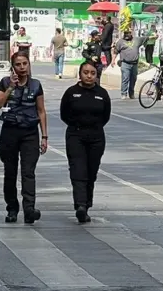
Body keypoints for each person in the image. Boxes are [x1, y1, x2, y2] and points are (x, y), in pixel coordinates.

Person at [0, 51, 48, 224]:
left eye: (25, 64)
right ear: (13, 67)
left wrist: (44, 136)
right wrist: (10, 87)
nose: (22, 68)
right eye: (18, 64)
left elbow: (41, 111)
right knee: (10, 172)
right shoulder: (5, 83)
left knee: (28, 172)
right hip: (10, 132)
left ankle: (29, 209)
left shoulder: (36, 85)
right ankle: (12, 208)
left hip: (30, 133)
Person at [60, 61, 110, 223]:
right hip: (76, 136)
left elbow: (105, 116)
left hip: (96, 137)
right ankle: (80, 205)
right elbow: (64, 114)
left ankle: (87, 204)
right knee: (78, 170)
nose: (89, 76)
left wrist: (93, 127)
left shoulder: (102, 94)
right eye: (85, 72)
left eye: (92, 73)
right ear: (80, 74)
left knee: (91, 172)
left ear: (96, 75)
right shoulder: (71, 92)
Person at [114, 31, 140, 101]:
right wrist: (112, 61)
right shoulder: (120, 42)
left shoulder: (136, 40)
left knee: (133, 79)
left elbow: (146, 38)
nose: (127, 36)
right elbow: (115, 51)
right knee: (125, 79)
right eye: (125, 34)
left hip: (134, 64)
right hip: (125, 63)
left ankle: (131, 93)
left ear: (131, 34)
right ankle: (123, 93)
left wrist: (154, 37)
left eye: (128, 34)